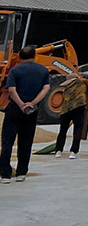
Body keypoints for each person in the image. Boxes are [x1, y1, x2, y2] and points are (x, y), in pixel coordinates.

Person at [1, 46, 51, 183]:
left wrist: (21, 104)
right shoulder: (42, 70)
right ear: (34, 56)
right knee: (26, 142)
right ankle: (21, 173)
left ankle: (5, 174)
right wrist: (32, 103)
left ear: (20, 56)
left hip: (15, 109)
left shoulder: (15, 70)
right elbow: (46, 88)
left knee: (7, 142)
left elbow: (11, 90)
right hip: (32, 111)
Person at [54, 75, 88, 159]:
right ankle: (73, 152)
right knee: (77, 129)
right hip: (78, 107)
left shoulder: (65, 87)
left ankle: (58, 151)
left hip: (65, 109)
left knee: (62, 130)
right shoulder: (82, 83)